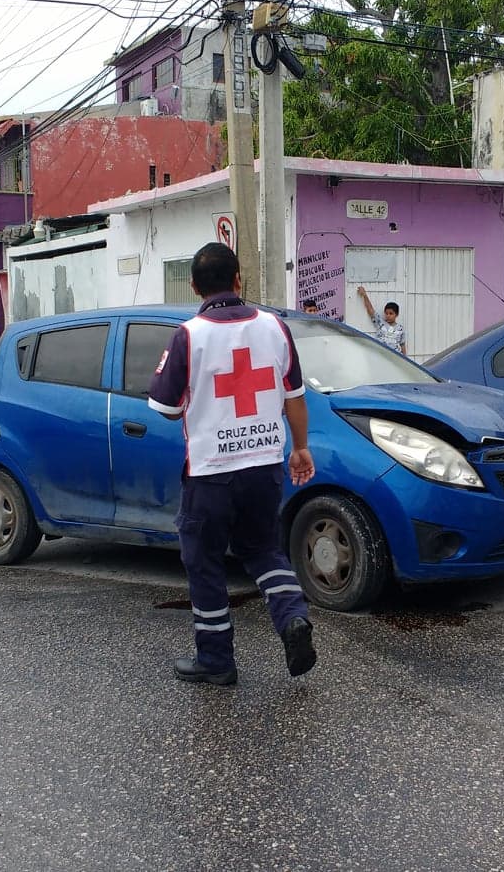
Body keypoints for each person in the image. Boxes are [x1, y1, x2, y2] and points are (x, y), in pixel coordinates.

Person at [149, 242, 318, 686]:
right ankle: (292, 618)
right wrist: (300, 447)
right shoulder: (275, 327)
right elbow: (294, 398)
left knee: (203, 560)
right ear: (239, 279)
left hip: (210, 474)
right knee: (263, 550)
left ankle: (217, 660)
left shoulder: (188, 335)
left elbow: (165, 408)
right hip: (264, 465)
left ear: (193, 287)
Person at [357, 286, 407, 354]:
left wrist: (405, 361)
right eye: (386, 313)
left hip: (395, 357)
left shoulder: (400, 329)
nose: (388, 315)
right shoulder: (380, 323)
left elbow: (402, 345)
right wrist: (364, 295)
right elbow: (371, 310)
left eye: (391, 313)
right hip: (381, 355)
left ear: (396, 314)